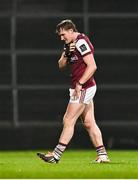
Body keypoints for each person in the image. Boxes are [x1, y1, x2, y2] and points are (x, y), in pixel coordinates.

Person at [37, 19, 110, 163]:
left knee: (68, 119)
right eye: (60, 35)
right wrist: (66, 54)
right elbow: (60, 65)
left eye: (63, 34)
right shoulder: (69, 44)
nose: (61, 38)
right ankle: (102, 155)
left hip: (84, 87)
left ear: (71, 30)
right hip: (81, 87)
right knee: (89, 122)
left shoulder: (81, 42)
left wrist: (80, 83)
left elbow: (92, 66)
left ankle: (56, 155)